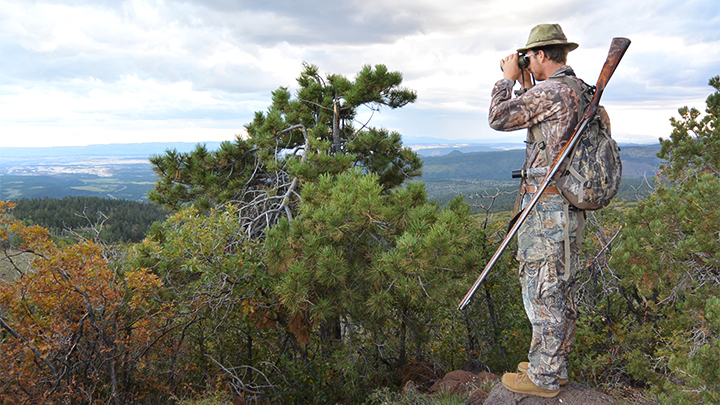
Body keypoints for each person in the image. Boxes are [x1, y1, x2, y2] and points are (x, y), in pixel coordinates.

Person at [488, 23, 586, 398]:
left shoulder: (552, 91)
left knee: (543, 285)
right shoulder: (577, 89)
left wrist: (507, 80)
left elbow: (499, 118)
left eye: (529, 56)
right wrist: (527, 81)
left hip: (547, 207)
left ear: (542, 55)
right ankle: (553, 365)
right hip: (568, 206)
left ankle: (543, 378)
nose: (525, 60)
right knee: (560, 285)